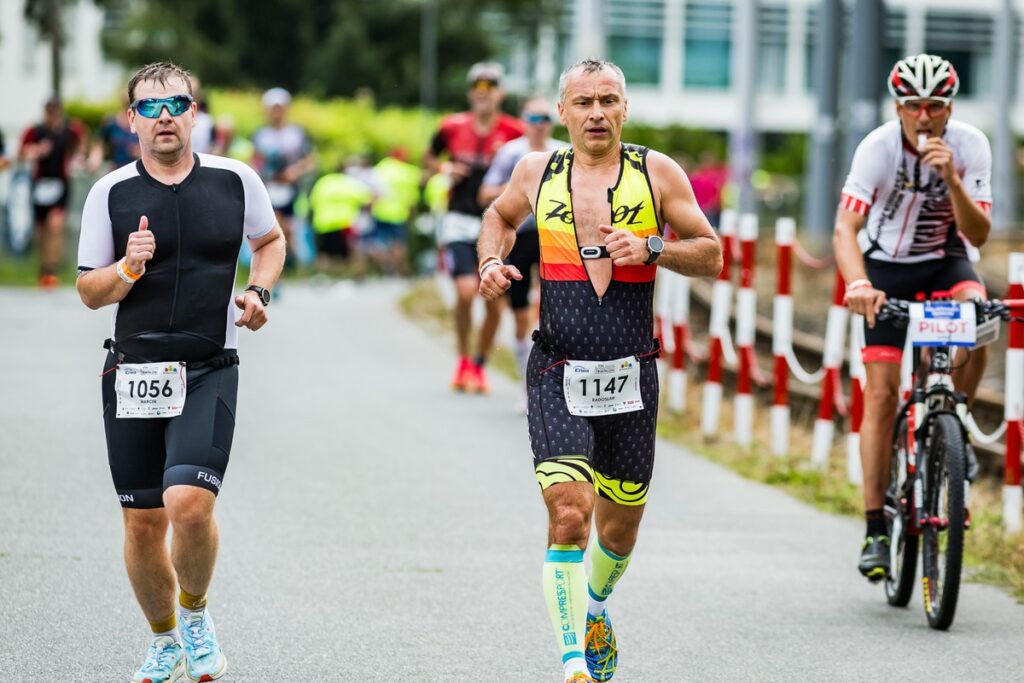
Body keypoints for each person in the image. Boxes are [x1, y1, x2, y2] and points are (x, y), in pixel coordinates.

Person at [477, 58, 722, 683]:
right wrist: (490, 262)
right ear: (562, 112)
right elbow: (499, 218)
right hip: (557, 367)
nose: (596, 114)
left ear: (624, 109)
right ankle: (573, 664)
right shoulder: (536, 172)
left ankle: (596, 608)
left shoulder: (657, 173)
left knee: (620, 528)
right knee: (568, 512)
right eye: (583, 102)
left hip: (632, 373)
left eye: (608, 100)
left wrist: (654, 247)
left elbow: (712, 254)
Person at [75, 62, 285, 683]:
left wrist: (259, 292)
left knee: (189, 504)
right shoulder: (110, 192)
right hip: (133, 373)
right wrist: (127, 270)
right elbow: (89, 291)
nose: (163, 116)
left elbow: (270, 242)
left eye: (175, 104)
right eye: (149, 106)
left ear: (194, 114)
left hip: (208, 367)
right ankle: (164, 639)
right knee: (143, 524)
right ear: (131, 120)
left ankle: (194, 614)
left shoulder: (236, 180)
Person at [833, 54, 991, 581]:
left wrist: (951, 179)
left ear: (950, 108)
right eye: (913, 105)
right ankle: (876, 527)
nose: (924, 116)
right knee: (880, 395)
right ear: (898, 107)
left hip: (946, 261)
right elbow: (844, 230)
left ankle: (955, 422)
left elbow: (980, 233)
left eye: (935, 106)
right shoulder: (877, 148)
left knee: (979, 316)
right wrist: (859, 283)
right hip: (885, 269)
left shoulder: (971, 145)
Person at [424, 62, 525, 394]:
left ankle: (480, 364)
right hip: (458, 219)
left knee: (493, 301)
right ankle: (463, 359)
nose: (484, 94)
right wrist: (446, 168)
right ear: (471, 93)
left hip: (497, 224)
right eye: (478, 89)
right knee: (466, 292)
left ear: (500, 93)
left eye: (490, 88)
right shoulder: (452, 126)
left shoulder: (514, 130)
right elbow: (429, 158)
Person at [479, 97, 569, 408]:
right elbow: (485, 194)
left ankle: (555, 386)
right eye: (533, 118)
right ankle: (526, 386)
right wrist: (520, 187)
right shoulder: (511, 152)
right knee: (520, 317)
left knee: (556, 314)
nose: (539, 124)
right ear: (523, 121)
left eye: (545, 118)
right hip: (519, 236)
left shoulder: (563, 152)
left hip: (553, 237)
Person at [18, 96, 87, 288]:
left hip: (60, 184)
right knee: (41, 229)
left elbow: (82, 142)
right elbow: (22, 153)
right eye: (49, 110)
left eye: (55, 110)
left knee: (56, 225)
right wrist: (36, 151)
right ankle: (43, 267)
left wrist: (78, 158)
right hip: (39, 184)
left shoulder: (69, 130)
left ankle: (51, 270)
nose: (52, 114)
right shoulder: (35, 130)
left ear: (60, 111)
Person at [251, 87, 316, 266]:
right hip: (269, 187)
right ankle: (276, 263)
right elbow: (255, 160)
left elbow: (310, 160)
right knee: (273, 225)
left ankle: (291, 261)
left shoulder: (297, 133)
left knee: (289, 227)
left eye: (279, 107)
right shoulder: (260, 135)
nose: (276, 112)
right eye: (273, 108)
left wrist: (296, 171)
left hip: (293, 188)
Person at [308, 160, 375, 274]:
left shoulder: (323, 182)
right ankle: (354, 274)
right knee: (350, 251)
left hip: (323, 223)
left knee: (323, 252)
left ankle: (322, 275)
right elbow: (368, 198)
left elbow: (312, 202)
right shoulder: (350, 183)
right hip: (344, 223)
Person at [369, 148, 421, 275]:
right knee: (398, 243)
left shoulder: (381, 168)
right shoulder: (408, 172)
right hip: (399, 213)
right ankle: (398, 269)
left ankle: (387, 264)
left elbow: (372, 191)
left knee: (378, 242)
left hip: (380, 212)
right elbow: (413, 198)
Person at [88, 94, 141, 172]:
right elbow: (99, 144)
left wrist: (139, 152)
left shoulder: (142, 122)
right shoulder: (110, 123)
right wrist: (95, 157)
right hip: (116, 169)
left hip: (137, 170)